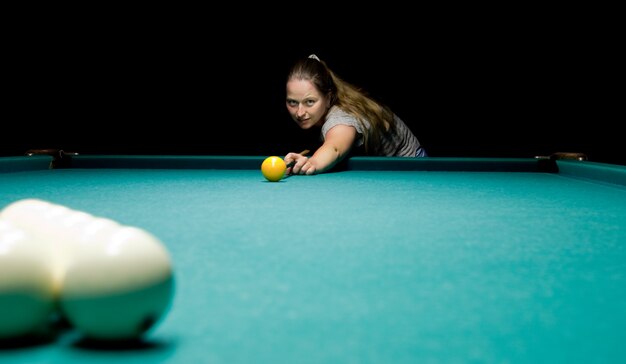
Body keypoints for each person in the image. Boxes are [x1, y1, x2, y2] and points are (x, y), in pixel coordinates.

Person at [283, 54, 427, 175]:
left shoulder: (341, 117)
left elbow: (335, 148)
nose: (300, 113)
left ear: (328, 98)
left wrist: (312, 162)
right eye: (292, 102)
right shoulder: (327, 108)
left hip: (412, 165)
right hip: (382, 169)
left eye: (310, 102)